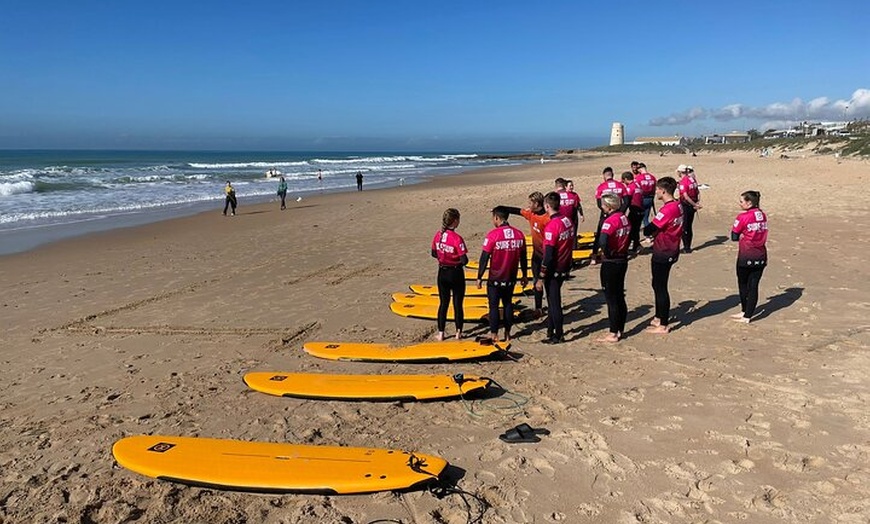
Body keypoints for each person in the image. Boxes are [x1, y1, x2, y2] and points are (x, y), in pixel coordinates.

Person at [476, 207, 528, 343]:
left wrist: (479, 276)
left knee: (493, 306)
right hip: (511, 277)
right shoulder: (519, 234)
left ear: (497, 218)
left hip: (495, 278)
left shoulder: (493, 235)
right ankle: (508, 334)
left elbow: (484, 257)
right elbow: (523, 256)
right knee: (508, 304)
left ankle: (494, 334)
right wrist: (524, 274)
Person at [642, 177, 683, 334]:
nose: (655, 192)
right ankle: (659, 316)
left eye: (657, 189)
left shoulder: (669, 209)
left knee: (660, 287)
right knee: (656, 284)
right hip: (670, 248)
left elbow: (649, 228)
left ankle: (663, 324)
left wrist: (650, 229)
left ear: (664, 191)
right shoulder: (677, 205)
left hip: (664, 250)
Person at [501, 192, 550, 318]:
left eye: (530, 203)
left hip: (547, 257)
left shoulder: (547, 219)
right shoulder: (531, 214)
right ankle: (538, 308)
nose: (528, 205)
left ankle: (552, 306)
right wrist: (501, 208)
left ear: (537, 204)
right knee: (536, 282)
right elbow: (518, 211)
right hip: (536, 256)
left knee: (547, 283)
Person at [536, 192, 575, 344]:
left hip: (555, 268)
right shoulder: (567, 220)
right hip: (565, 264)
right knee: (553, 300)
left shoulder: (552, 226)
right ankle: (551, 330)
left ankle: (558, 334)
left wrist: (541, 276)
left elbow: (549, 254)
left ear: (547, 206)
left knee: (554, 303)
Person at [597, 193, 631, 342]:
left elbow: (602, 240)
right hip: (622, 259)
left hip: (611, 261)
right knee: (619, 295)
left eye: (603, 205)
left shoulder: (610, 221)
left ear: (609, 207)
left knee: (611, 298)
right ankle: (620, 329)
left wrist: (606, 252)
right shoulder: (624, 218)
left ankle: (613, 332)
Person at [431, 208, 468, 341]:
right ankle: (458, 332)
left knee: (443, 303)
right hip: (455, 273)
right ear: (455, 221)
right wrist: (455, 259)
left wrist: (444, 257)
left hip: (442, 272)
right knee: (457, 303)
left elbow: (434, 253)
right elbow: (465, 260)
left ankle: (441, 333)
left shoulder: (438, 235)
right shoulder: (457, 238)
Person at [730, 191, 768, 323]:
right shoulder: (762, 215)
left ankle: (746, 314)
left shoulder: (742, 217)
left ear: (749, 203)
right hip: (761, 255)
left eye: (742, 201)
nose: (740, 204)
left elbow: (734, 236)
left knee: (744, 284)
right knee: (753, 286)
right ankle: (746, 313)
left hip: (746, 255)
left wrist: (742, 235)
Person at [591, 167, 628, 263]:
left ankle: (594, 256)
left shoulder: (601, 186)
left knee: (600, 234)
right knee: (619, 233)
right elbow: (626, 201)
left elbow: (599, 204)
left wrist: (606, 212)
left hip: (606, 213)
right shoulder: (621, 186)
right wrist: (620, 211)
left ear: (604, 176)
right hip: (617, 213)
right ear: (613, 175)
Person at [676, 165, 701, 253]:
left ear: (680, 172)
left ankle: (686, 247)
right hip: (692, 204)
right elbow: (697, 191)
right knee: (688, 226)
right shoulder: (692, 179)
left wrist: (695, 204)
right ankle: (688, 246)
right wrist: (696, 203)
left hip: (687, 205)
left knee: (685, 226)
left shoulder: (684, 181)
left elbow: (686, 196)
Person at [555, 178, 583, 247]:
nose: (571, 187)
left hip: (566, 219)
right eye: (570, 185)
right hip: (569, 219)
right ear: (565, 186)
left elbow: (578, 206)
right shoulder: (571, 195)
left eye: (572, 185)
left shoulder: (555, 196)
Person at [621, 171, 644, 252]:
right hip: (641, 209)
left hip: (635, 210)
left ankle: (633, 245)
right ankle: (636, 245)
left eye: (624, 181)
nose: (624, 183)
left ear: (626, 179)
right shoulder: (638, 185)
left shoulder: (630, 187)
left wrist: (622, 212)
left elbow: (627, 200)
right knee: (636, 229)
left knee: (630, 229)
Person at [636, 163, 657, 227]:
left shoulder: (638, 178)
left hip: (642, 198)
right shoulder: (653, 177)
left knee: (640, 218)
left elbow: (637, 189)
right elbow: (654, 189)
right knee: (646, 218)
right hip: (650, 198)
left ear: (639, 169)